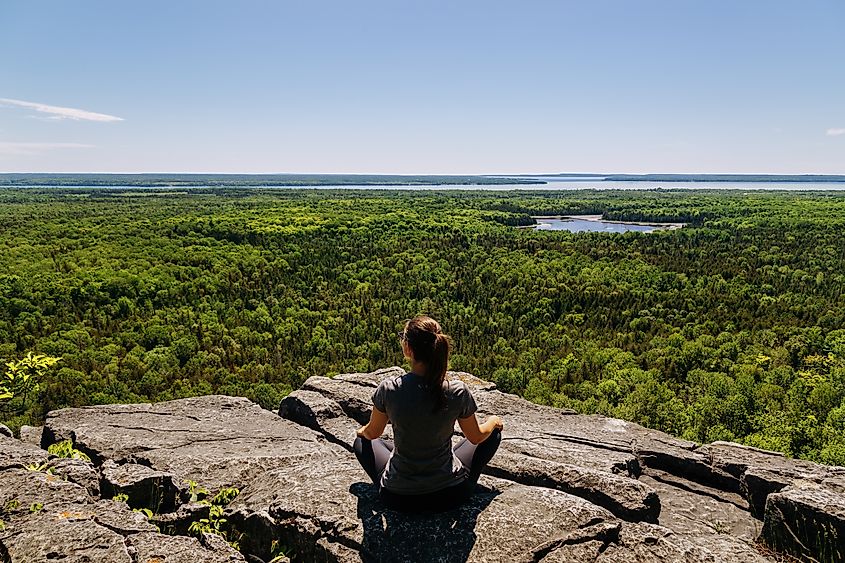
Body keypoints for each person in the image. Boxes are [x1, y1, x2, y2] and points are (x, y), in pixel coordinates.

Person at [353, 315, 503, 512]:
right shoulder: (456, 390)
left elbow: (372, 434)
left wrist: (362, 431)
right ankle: (466, 485)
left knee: (362, 442)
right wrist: (492, 422)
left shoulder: (389, 389)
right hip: (451, 495)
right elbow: (476, 437)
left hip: (397, 498)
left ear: (409, 349)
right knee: (493, 435)